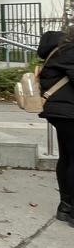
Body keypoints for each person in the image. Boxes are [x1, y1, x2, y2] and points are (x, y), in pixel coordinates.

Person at [37, 29, 74, 227]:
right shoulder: (70, 51)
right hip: (69, 112)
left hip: (59, 111)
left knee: (67, 157)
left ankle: (65, 207)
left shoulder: (59, 50)